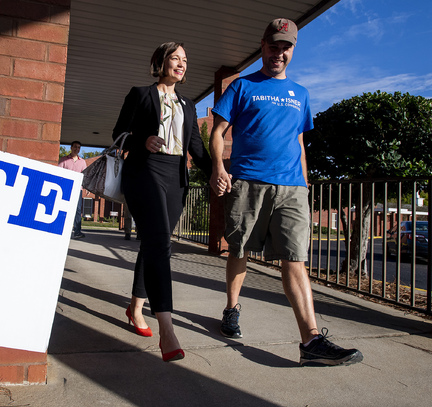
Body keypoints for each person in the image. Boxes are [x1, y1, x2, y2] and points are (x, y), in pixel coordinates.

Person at [209, 18, 363, 366]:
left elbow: (299, 141)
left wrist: (305, 187)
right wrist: (219, 167)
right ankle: (231, 309)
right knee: (240, 248)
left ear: (292, 50)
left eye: (286, 47)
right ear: (263, 45)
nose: (279, 52)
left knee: (296, 258)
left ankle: (310, 341)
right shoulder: (242, 87)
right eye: (274, 45)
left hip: (292, 188)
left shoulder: (301, 94)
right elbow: (218, 131)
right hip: (249, 180)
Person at [113, 42, 212, 362]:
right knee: (157, 243)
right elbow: (118, 134)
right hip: (145, 170)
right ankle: (167, 328)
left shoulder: (189, 103)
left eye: (185, 60)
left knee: (156, 244)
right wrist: (142, 140)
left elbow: (196, 146)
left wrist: (217, 173)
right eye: (175, 58)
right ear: (161, 62)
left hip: (175, 179)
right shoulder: (140, 94)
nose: (181, 64)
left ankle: (135, 307)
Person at [59, 141, 87, 238]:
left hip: (77, 189)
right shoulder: (64, 160)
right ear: (71, 147)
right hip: (66, 188)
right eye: (75, 147)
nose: (77, 149)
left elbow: (84, 176)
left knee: (78, 210)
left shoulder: (82, 162)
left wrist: (86, 188)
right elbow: (59, 174)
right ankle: (60, 229)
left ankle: (77, 232)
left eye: (78, 147)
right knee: (63, 207)